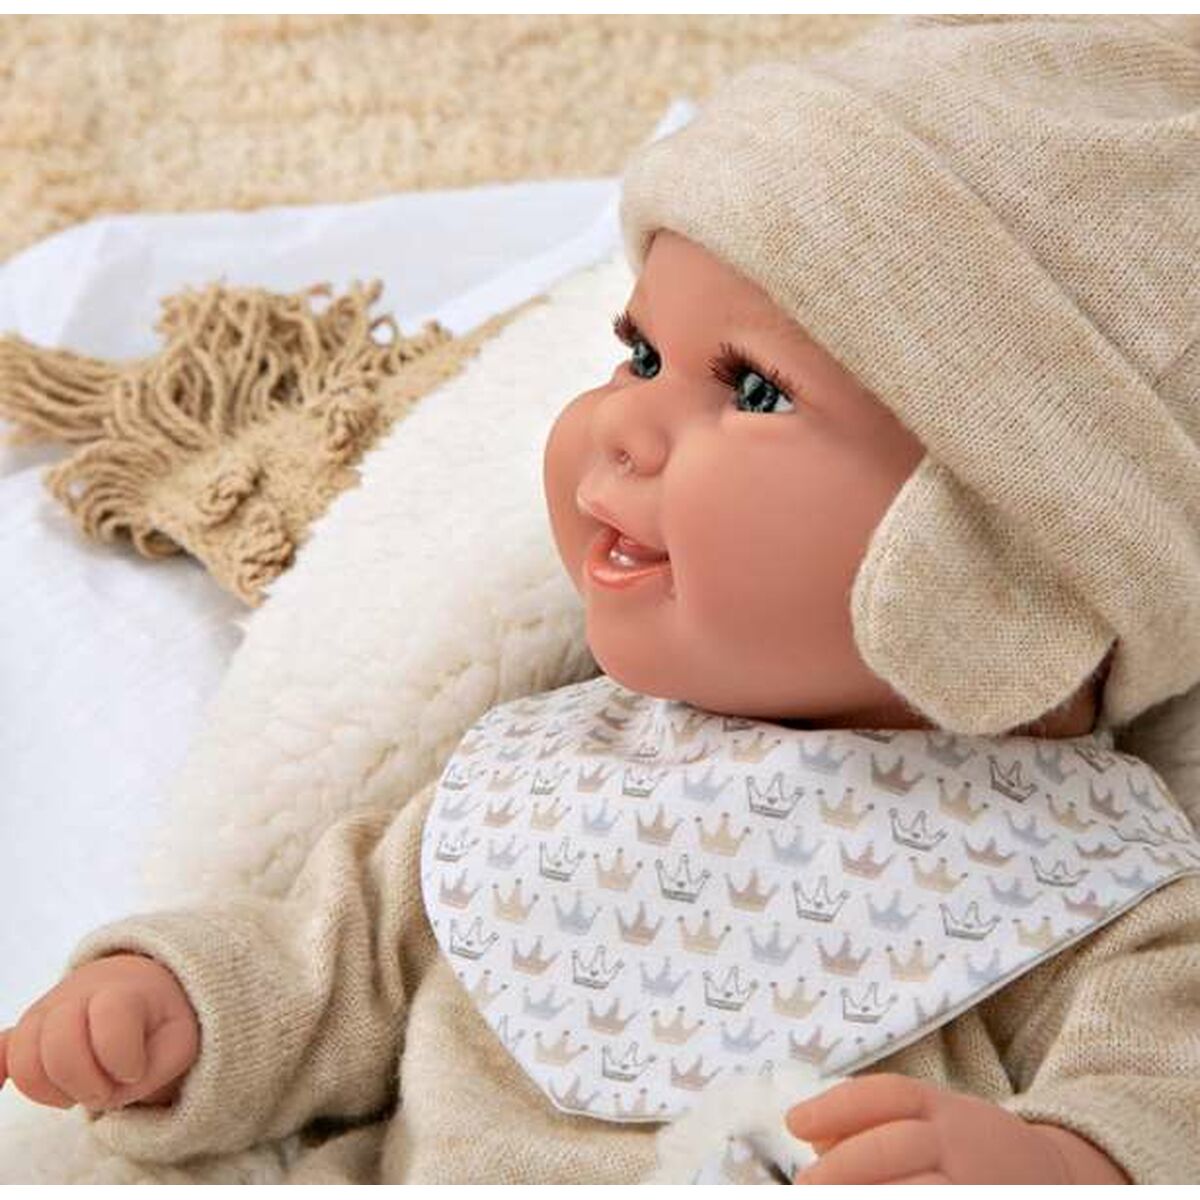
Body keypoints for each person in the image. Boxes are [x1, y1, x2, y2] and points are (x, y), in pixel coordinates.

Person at [2, 13, 1199, 1184]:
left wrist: (1057, 1162)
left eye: (754, 390)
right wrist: (174, 1008)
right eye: (640, 355)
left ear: (1018, 560)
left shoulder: (1098, 885)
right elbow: (330, 969)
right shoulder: (538, 780)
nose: (621, 421)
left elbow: (1163, 1096)